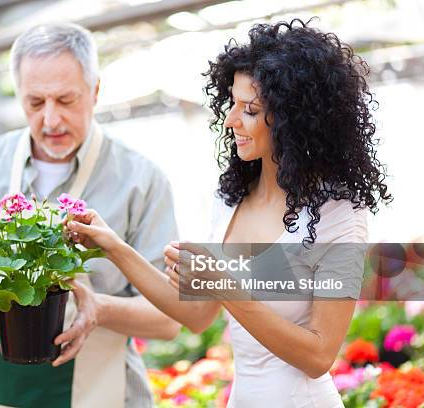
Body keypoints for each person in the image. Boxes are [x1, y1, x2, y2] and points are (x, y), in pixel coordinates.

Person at [65, 19, 392, 408]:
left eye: (249, 109)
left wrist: (226, 285)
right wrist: (114, 247)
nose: (231, 120)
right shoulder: (232, 198)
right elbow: (198, 315)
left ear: (294, 121)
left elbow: (319, 356)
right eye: (232, 103)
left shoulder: (338, 213)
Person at [0, 23, 181, 408]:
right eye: (36, 103)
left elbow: (170, 319)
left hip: (104, 392)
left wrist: (99, 308)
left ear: (95, 91)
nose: (51, 120)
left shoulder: (142, 180)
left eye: (66, 100)